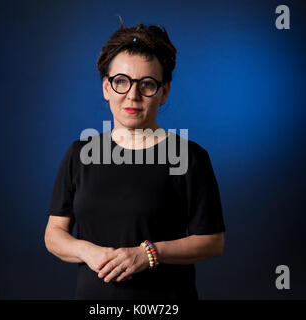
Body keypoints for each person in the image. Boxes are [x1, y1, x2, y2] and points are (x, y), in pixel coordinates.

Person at [44, 19, 225, 300]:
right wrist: (88, 251)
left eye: (147, 84)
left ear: (164, 92)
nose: (132, 95)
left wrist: (148, 254)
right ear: (106, 88)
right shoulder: (79, 155)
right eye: (121, 82)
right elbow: (54, 233)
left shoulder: (190, 157)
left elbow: (212, 242)